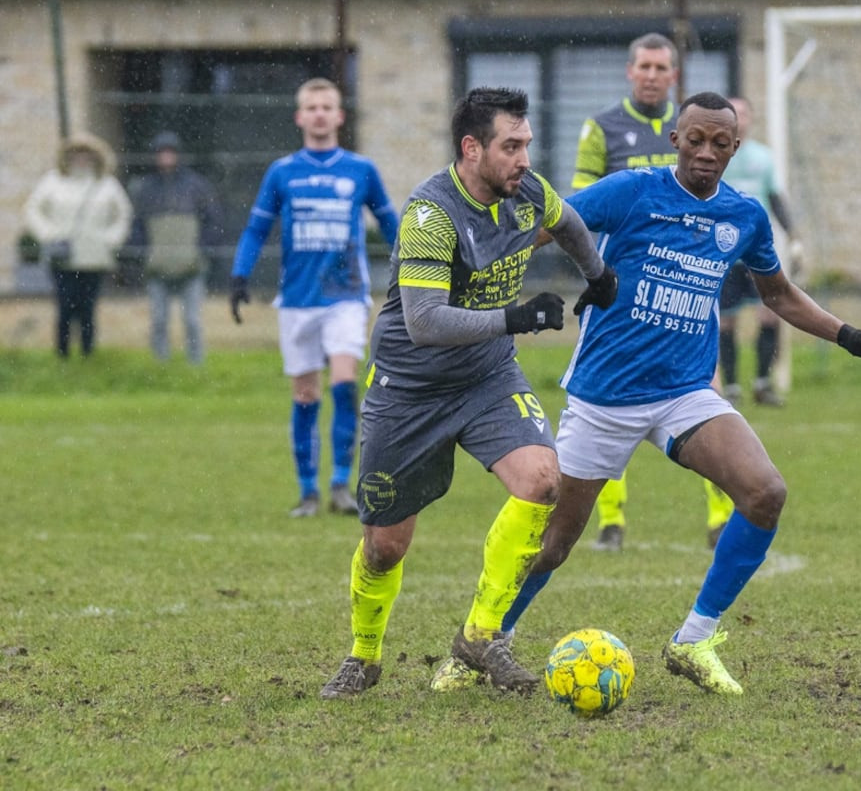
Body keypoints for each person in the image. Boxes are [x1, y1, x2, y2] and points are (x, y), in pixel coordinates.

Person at [486, 92, 861, 696]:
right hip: (605, 394)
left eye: (720, 144)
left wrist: (849, 336)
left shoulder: (745, 215)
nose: (706, 153)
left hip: (685, 390)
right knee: (551, 546)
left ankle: (693, 639)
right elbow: (549, 225)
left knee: (764, 493)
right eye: (696, 140)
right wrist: (479, 280)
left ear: (736, 149)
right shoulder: (632, 191)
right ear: (676, 140)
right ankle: (483, 640)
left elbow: (778, 295)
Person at [318, 87, 617, 700]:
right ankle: (364, 655)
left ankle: (482, 636)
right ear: (471, 148)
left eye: (527, 144)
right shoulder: (430, 214)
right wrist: (517, 318)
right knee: (384, 547)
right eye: (511, 146)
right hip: (409, 389)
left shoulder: (526, 192)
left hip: (486, 378)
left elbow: (570, 223)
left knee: (543, 480)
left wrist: (600, 277)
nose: (524, 158)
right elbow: (426, 323)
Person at [229, 78, 400, 518]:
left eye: (327, 106)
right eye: (312, 107)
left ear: (340, 116)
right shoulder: (282, 172)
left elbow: (390, 225)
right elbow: (255, 229)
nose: (320, 113)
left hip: (345, 297)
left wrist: (413, 268)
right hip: (298, 300)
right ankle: (308, 491)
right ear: (299, 117)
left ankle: (341, 483)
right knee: (305, 395)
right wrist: (239, 274)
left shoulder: (361, 170)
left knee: (344, 384)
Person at [572, 31, 695, 552]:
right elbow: (577, 207)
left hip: (683, 283)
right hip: (617, 289)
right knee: (607, 398)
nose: (650, 74)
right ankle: (612, 522)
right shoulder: (601, 128)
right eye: (642, 66)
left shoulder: (690, 129)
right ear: (630, 72)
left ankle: (717, 519)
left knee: (698, 392)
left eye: (659, 67)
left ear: (674, 75)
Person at [719, 96, 805, 409]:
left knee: (771, 314)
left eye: (744, 113)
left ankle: (762, 383)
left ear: (751, 119)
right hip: (724, 254)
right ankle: (729, 386)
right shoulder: (717, 156)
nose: (739, 118)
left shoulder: (763, 157)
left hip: (758, 253)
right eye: (734, 113)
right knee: (724, 322)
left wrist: (794, 237)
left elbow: (775, 197)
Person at [23, 133, 132, 358]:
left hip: (94, 258)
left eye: (86, 155)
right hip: (63, 257)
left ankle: (87, 354)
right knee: (64, 307)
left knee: (87, 308)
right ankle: (62, 354)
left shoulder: (106, 185)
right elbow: (33, 210)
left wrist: (110, 239)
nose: (81, 160)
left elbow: (123, 215)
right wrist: (49, 234)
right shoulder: (53, 181)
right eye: (76, 155)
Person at [128, 131, 223, 364]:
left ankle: (196, 365)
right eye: (162, 153)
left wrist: (202, 250)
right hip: (157, 266)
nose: (166, 157)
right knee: (159, 319)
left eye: (170, 152)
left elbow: (213, 221)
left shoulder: (196, 186)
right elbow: (137, 226)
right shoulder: (146, 189)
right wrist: (143, 254)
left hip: (191, 265)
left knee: (192, 319)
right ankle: (161, 364)